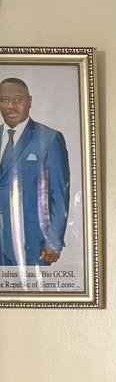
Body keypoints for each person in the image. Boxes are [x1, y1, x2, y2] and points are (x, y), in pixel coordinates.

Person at [0, 76, 70, 266]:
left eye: (18, 99)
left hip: (32, 244)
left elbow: (59, 194)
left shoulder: (49, 139)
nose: (11, 106)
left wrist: (54, 241)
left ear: (29, 101)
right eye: (4, 100)